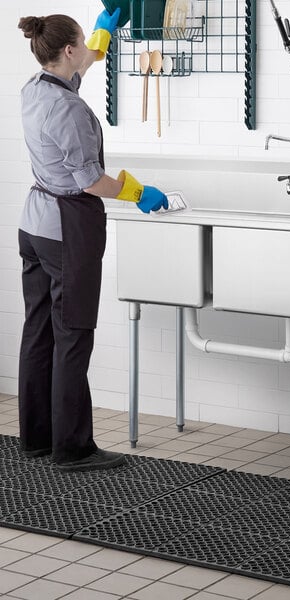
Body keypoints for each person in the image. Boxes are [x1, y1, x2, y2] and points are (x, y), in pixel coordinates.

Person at [17, 8, 168, 471]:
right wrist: (137, 191)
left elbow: (79, 68)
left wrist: (103, 30)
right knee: (73, 334)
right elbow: (90, 181)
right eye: (81, 42)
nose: (86, 51)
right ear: (67, 49)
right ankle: (73, 448)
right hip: (68, 229)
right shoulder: (70, 110)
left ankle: (38, 438)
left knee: (39, 331)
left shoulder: (37, 88)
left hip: (34, 224)